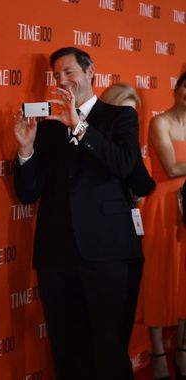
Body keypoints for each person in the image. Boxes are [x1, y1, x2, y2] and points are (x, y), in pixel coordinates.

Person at [14, 47, 145, 380]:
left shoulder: (120, 117)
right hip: (56, 255)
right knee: (66, 350)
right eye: (56, 76)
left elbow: (123, 164)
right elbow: (29, 192)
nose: (62, 81)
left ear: (90, 72)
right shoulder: (48, 127)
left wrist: (80, 127)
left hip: (107, 253)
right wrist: (26, 149)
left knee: (108, 348)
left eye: (69, 72)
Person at [142, 72, 186, 380]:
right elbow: (171, 168)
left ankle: (182, 349)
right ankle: (157, 352)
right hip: (162, 207)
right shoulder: (160, 123)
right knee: (158, 278)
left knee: (184, 277)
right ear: (176, 90)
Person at [100, 83, 156, 200]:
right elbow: (143, 185)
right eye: (123, 114)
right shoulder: (92, 138)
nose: (127, 121)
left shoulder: (129, 142)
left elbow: (142, 186)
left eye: (132, 115)